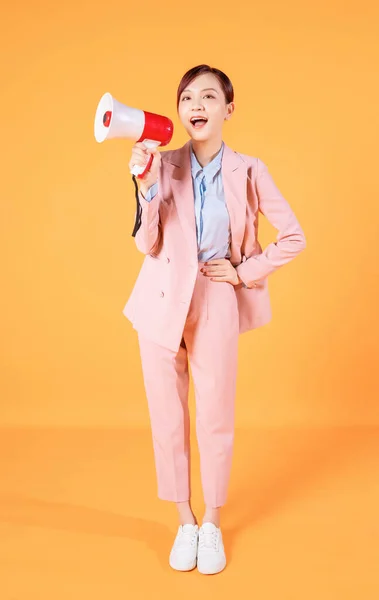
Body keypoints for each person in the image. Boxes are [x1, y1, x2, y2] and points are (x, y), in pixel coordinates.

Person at [123, 64, 306, 575]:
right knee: (168, 416)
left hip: (216, 299)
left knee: (215, 418)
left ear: (228, 109)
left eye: (208, 96)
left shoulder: (249, 170)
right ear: (179, 110)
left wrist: (244, 271)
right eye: (187, 98)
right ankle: (184, 521)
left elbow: (293, 236)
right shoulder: (163, 163)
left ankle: (212, 523)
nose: (196, 105)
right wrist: (145, 183)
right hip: (160, 301)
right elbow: (147, 241)